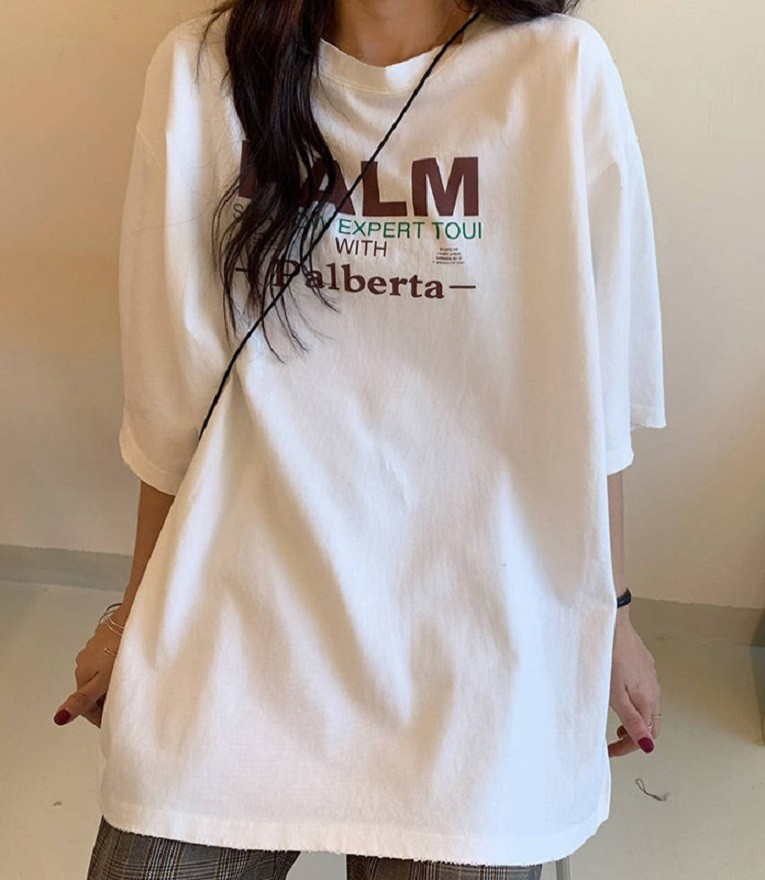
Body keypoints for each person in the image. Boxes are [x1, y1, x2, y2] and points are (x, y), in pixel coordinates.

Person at [55, 1, 668, 878]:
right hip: (237, 628)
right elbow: (171, 406)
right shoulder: (202, 73)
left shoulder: (560, 72)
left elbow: (591, 402)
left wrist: (612, 617)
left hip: (476, 650)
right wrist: (135, 612)